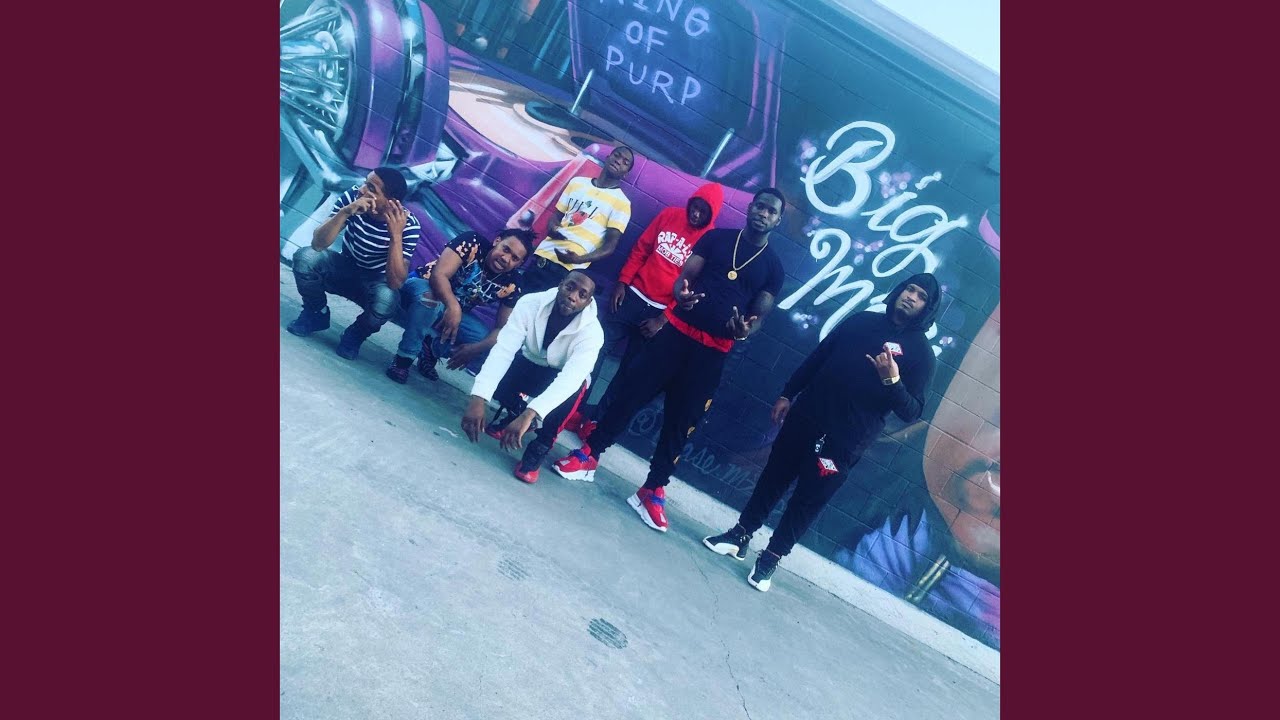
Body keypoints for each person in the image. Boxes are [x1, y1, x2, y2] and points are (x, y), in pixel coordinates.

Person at [552, 189, 788, 533]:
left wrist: (745, 331)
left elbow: (758, 318)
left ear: (778, 220)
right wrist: (681, 294)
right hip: (675, 335)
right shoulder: (717, 239)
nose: (763, 214)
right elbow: (683, 280)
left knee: (681, 423)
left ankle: (652, 489)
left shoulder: (774, 268)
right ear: (750, 208)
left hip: (712, 353)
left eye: (771, 211)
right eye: (760, 207)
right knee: (630, 395)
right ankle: (590, 454)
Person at [701, 273, 941, 593]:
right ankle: (739, 535)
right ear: (899, 291)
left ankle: (771, 558)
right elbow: (819, 357)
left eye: (921, 296)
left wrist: (892, 381)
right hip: (806, 417)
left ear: (928, 308)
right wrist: (788, 393)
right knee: (773, 479)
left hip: (844, 440)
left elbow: (912, 411)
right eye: (910, 289)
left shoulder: (922, 354)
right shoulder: (861, 321)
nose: (911, 297)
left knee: (807, 500)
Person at [566, 182, 725, 438]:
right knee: (594, 350)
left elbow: (694, 286)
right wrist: (623, 282)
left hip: (658, 314)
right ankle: (574, 410)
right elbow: (641, 249)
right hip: (631, 297)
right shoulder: (669, 215)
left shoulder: (711, 240)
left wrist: (663, 319)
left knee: (629, 372)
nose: (695, 214)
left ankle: (595, 422)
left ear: (712, 214)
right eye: (694, 207)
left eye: (703, 212)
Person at [461, 271, 604, 483]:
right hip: (531, 363)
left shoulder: (592, 333)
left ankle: (539, 447)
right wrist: (478, 399)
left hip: (561, 377)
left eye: (582, 295)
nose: (573, 296)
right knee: (500, 376)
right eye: (570, 287)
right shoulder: (530, 303)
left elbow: (570, 379)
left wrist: (531, 414)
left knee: (572, 393)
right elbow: (503, 350)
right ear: (560, 284)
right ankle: (514, 413)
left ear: (588, 302)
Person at [286, 167, 422, 359]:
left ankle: (355, 335)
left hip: (375, 282)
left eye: (371, 188)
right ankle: (316, 313)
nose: (362, 190)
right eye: (365, 183)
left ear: (391, 202)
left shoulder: (409, 225)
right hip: (345, 266)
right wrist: (345, 212)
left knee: (388, 299)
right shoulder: (353, 197)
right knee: (306, 257)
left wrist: (396, 236)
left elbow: (395, 283)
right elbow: (318, 244)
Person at [384, 229, 535, 383]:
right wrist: (453, 306)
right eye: (506, 249)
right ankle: (403, 360)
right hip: (420, 289)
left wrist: (475, 349)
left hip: (453, 312)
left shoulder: (513, 284)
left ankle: (431, 348)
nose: (506, 258)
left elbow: (502, 328)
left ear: (519, 264)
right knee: (430, 301)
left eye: (514, 258)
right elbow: (438, 275)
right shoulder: (472, 242)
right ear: (497, 241)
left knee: (483, 340)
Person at [521, 146, 634, 293]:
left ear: (626, 174)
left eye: (625, 162)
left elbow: (609, 246)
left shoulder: (622, 203)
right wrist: (552, 229)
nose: (619, 161)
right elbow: (556, 216)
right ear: (607, 158)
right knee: (520, 302)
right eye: (617, 156)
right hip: (544, 255)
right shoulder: (577, 183)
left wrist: (579, 259)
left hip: (568, 270)